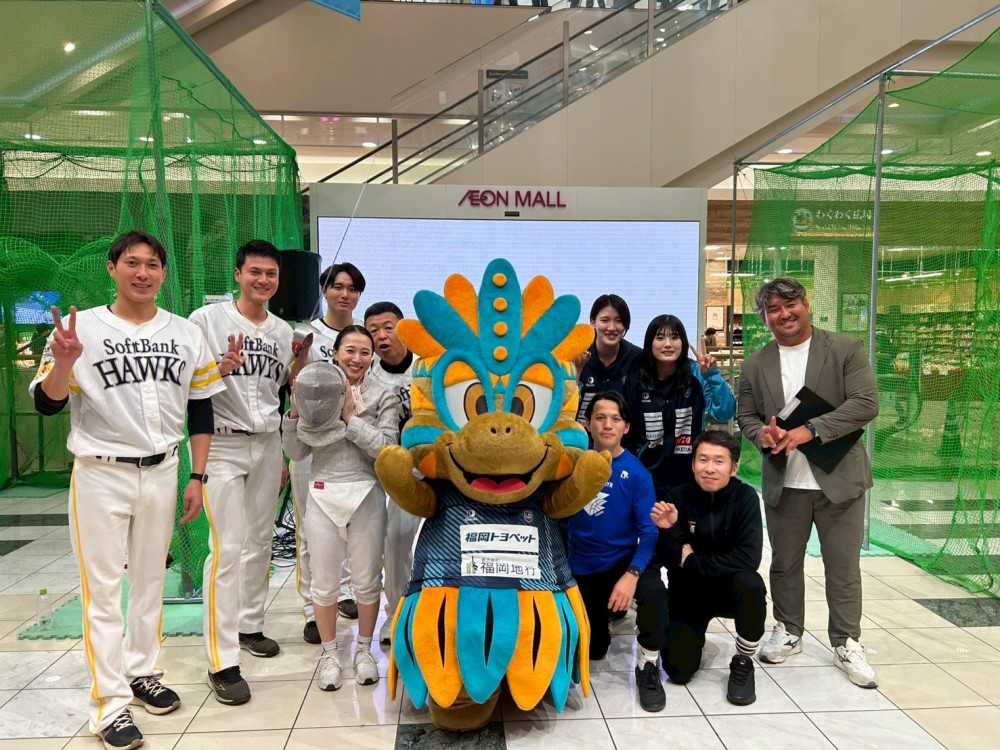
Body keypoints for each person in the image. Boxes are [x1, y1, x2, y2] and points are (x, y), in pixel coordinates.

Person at [29, 231, 225, 749]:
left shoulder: (185, 332)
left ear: (163, 272)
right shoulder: (80, 330)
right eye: (132, 262)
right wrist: (64, 362)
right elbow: (47, 403)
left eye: (153, 264)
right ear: (111, 268)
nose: (143, 272)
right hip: (101, 473)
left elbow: (201, 408)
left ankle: (142, 672)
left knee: (150, 582)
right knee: (102, 592)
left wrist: (198, 476)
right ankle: (109, 705)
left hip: (164, 470)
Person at [736, 278, 880, 688]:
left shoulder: (845, 349)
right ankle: (788, 629)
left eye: (791, 304)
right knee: (784, 564)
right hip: (785, 482)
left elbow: (866, 403)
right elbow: (746, 415)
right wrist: (762, 435)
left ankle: (847, 641)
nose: (784, 314)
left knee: (843, 567)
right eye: (774, 309)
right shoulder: (755, 364)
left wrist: (810, 430)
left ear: (806, 303)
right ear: (764, 318)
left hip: (839, 478)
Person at [189, 240, 300, 705]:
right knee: (227, 548)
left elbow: (283, 390)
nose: (263, 280)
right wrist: (219, 368)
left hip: (267, 443)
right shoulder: (206, 321)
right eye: (255, 272)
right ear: (238, 274)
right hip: (221, 444)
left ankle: (250, 624)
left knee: (260, 542)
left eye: (271, 274)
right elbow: (187, 385)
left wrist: (283, 454)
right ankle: (221, 660)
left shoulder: (283, 331)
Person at [282, 326, 399, 691]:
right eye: (350, 350)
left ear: (372, 357)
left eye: (365, 352)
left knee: (367, 581)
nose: (357, 358)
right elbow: (296, 452)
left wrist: (349, 419)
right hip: (322, 494)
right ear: (334, 352)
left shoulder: (384, 394)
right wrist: (294, 414)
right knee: (324, 583)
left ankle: (364, 651)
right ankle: (330, 654)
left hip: (366, 494)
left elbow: (386, 448)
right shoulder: (316, 388)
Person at [567, 391, 669, 713]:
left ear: (626, 427)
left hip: (620, 562)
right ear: (587, 424)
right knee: (595, 649)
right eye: (600, 418)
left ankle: (647, 663)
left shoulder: (637, 474)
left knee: (654, 591)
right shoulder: (572, 464)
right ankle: (605, 617)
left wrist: (632, 574)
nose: (607, 425)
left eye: (615, 419)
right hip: (580, 566)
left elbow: (649, 532)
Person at [650, 430, 766, 706]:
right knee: (677, 672)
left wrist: (692, 561)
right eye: (703, 460)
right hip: (688, 592)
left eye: (718, 461)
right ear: (693, 464)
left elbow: (749, 558)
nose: (709, 468)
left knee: (751, 583)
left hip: (730, 590)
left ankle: (744, 661)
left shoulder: (746, 498)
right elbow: (669, 556)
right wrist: (669, 531)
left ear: (734, 468)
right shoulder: (677, 496)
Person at [291, 261, 366, 641]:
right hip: (311, 444)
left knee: (352, 523)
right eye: (337, 286)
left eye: (352, 288)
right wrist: (299, 357)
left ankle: (346, 592)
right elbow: (292, 382)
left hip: (350, 446)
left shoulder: (362, 335)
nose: (344, 294)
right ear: (324, 290)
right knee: (310, 528)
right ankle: (311, 608)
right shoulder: (306, 333)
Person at [622, 314, 735, 500]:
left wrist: (712, 376)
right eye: (660, 338)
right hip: (644, 479)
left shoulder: (697, 374)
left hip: (689, 479)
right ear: (649, 343)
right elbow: (626, 432)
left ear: (683, 342)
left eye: (674, 337)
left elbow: (724, 413)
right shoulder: (636, 380)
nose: (668, 344)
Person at [364, 301, 417, 645]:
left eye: (388, 327)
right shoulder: (369, 375)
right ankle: (397, 616)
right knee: (394, 544)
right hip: (390, 469)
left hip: (430, 467)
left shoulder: (428, 364)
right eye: (374, 331)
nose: (382, 336)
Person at [574, 294, 642, 426]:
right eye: (605, 320)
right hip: (580, 436)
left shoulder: (637, 357)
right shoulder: (578, 354)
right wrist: (577, 371)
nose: (612, 328)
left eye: (619, 321)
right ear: (593, 322)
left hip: (623, 437)